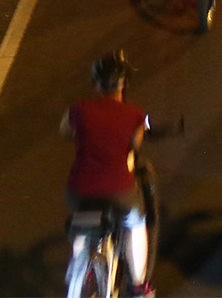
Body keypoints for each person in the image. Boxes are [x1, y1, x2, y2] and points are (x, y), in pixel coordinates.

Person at [62, 51, 155, 297]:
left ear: (97, 84)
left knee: (82, 219)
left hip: (79, 190)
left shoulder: (79, 109)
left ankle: (79, 264)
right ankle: (138, 287)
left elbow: (65, 130)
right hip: (118, 190)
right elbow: (135, 145)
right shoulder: (135, 114)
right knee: (135, 223)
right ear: (124, 85)